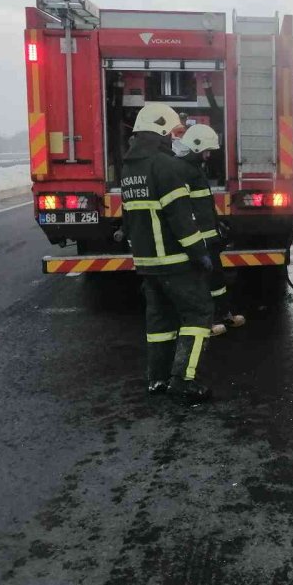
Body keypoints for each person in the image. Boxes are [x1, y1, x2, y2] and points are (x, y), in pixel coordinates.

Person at [120, 103, 215, 404]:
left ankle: (157, 379)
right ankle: (183, 380)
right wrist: (199, 252)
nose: (176, 139)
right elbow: (180, 219)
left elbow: (128, 216)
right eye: (173, 132)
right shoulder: (166, 166)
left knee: (159, 322)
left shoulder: (130, 168)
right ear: (159, 130)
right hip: (175, 261)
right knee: (198, 313)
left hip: (148, 263)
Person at [173, 124, 246, 331]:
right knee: (201, 281)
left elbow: (203, 204)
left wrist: (217, 226)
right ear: (195, 147)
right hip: (199, 238)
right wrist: (196, 237)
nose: (208, 156)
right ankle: (208, 322)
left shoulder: (193, 169)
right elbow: (183, 207)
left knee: (217, 278)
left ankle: (223, 314)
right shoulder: (183, 171)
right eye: (206, 151)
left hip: (209, 235)